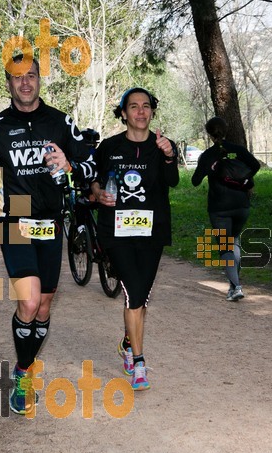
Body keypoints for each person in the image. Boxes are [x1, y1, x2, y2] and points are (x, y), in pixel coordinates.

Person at [0, 54, 91, 415]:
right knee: (29, 302)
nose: (25, 82)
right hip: (15, 220)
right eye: (17, 77)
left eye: (31, 75)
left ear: (39, 79)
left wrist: (71, 164)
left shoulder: (61, 122)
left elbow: (91, 164)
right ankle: (22, 375)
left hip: (51, 222)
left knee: (44, 306)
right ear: (8, 83)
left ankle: (25, 367)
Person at [89, 88, 179, 390]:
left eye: (146, 106)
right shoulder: (109, 147)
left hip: (152, 232)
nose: (140, 112)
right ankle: (138, 363)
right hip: (117, 232)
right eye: (133, 106)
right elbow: (92, 179)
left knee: (140, 295)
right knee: (134, 293)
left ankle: (128, 342)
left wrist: (168, 157)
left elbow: (173, 182)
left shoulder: (163, 145)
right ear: (124, 113)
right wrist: (98, 193)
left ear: (152, 112)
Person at [191, 116, 261, 301]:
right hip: (241, 206)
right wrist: (244, 178)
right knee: (233, 241)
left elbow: (195, 181)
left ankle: (236, 286)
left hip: (219, 208)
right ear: (226, 130)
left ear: (209, 134)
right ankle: (233, 285)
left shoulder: (207, 156)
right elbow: (255, 165)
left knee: (225, 246)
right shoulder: (238, 150)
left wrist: (209, 169)